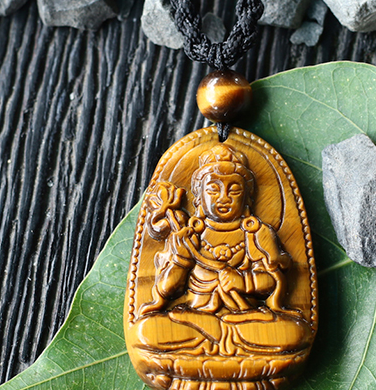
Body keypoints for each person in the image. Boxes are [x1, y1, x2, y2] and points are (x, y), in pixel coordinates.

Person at [132, 144, 310, 357]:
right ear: (198, 195)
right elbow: (165, 291)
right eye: (213, 190)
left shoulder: (256, 233)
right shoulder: (188, 235)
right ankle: (221, 342)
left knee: (294, 332)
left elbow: (273, 281)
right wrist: (181, 261)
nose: (224, 198)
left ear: (248, 196)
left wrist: (243, 282)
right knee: (146, 330)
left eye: (234, 191)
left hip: (246, 320)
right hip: (195, 318)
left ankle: (216, 343)